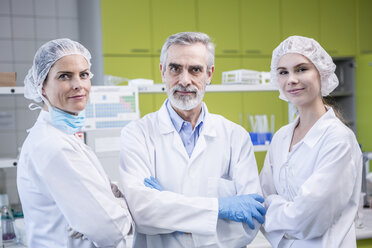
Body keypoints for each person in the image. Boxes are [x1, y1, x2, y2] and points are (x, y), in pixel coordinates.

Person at [119, 31, 266, 248]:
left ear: (209, 74)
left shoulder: (236, 137)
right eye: (175, 68)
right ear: (162, 72)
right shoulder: (137, 134)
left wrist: (168, 208)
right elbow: (143, 214)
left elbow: (250, 223)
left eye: (195, 70)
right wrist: (218, 208)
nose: (184, 80)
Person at [17, 38, 133, 248]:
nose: (78, 84)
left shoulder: (63, 136)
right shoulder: (53, 145)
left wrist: (111, 203)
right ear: (41, 86)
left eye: (84, 74)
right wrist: (124, 211)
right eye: (64, 76)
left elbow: (101, 214)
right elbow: (110, 230)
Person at [259, 35, 363, 247]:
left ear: (321, 73)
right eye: (283, 72)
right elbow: (260, 200)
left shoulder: (338, 140)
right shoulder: (281, 137)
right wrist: (281, 209)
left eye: (301, 69)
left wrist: (273, 205)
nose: (291, 80)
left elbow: (306, 220)